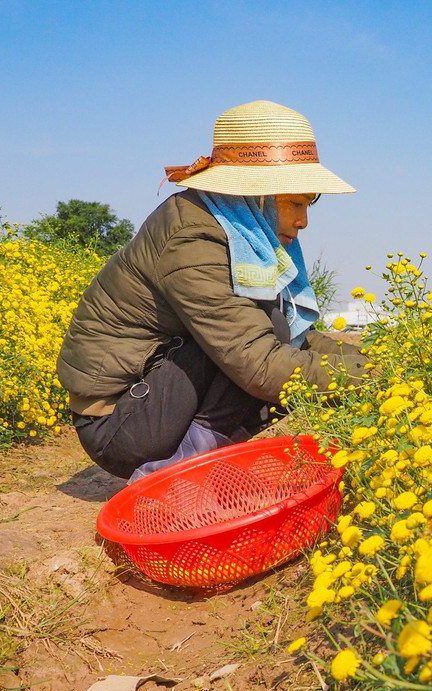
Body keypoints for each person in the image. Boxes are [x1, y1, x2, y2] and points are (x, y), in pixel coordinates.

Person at [57, 100, 365, 482]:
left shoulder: (235, 229)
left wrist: (373, 363)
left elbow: (297, 340)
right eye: (296, 203)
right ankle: (175, 475)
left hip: (153, 400)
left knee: (270, 330)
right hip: (119, 425)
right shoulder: (194, 235)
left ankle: (199, 461)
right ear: (259, 194)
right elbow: (260, 363)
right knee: (267, 338)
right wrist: (370, 379)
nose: (303, 221)